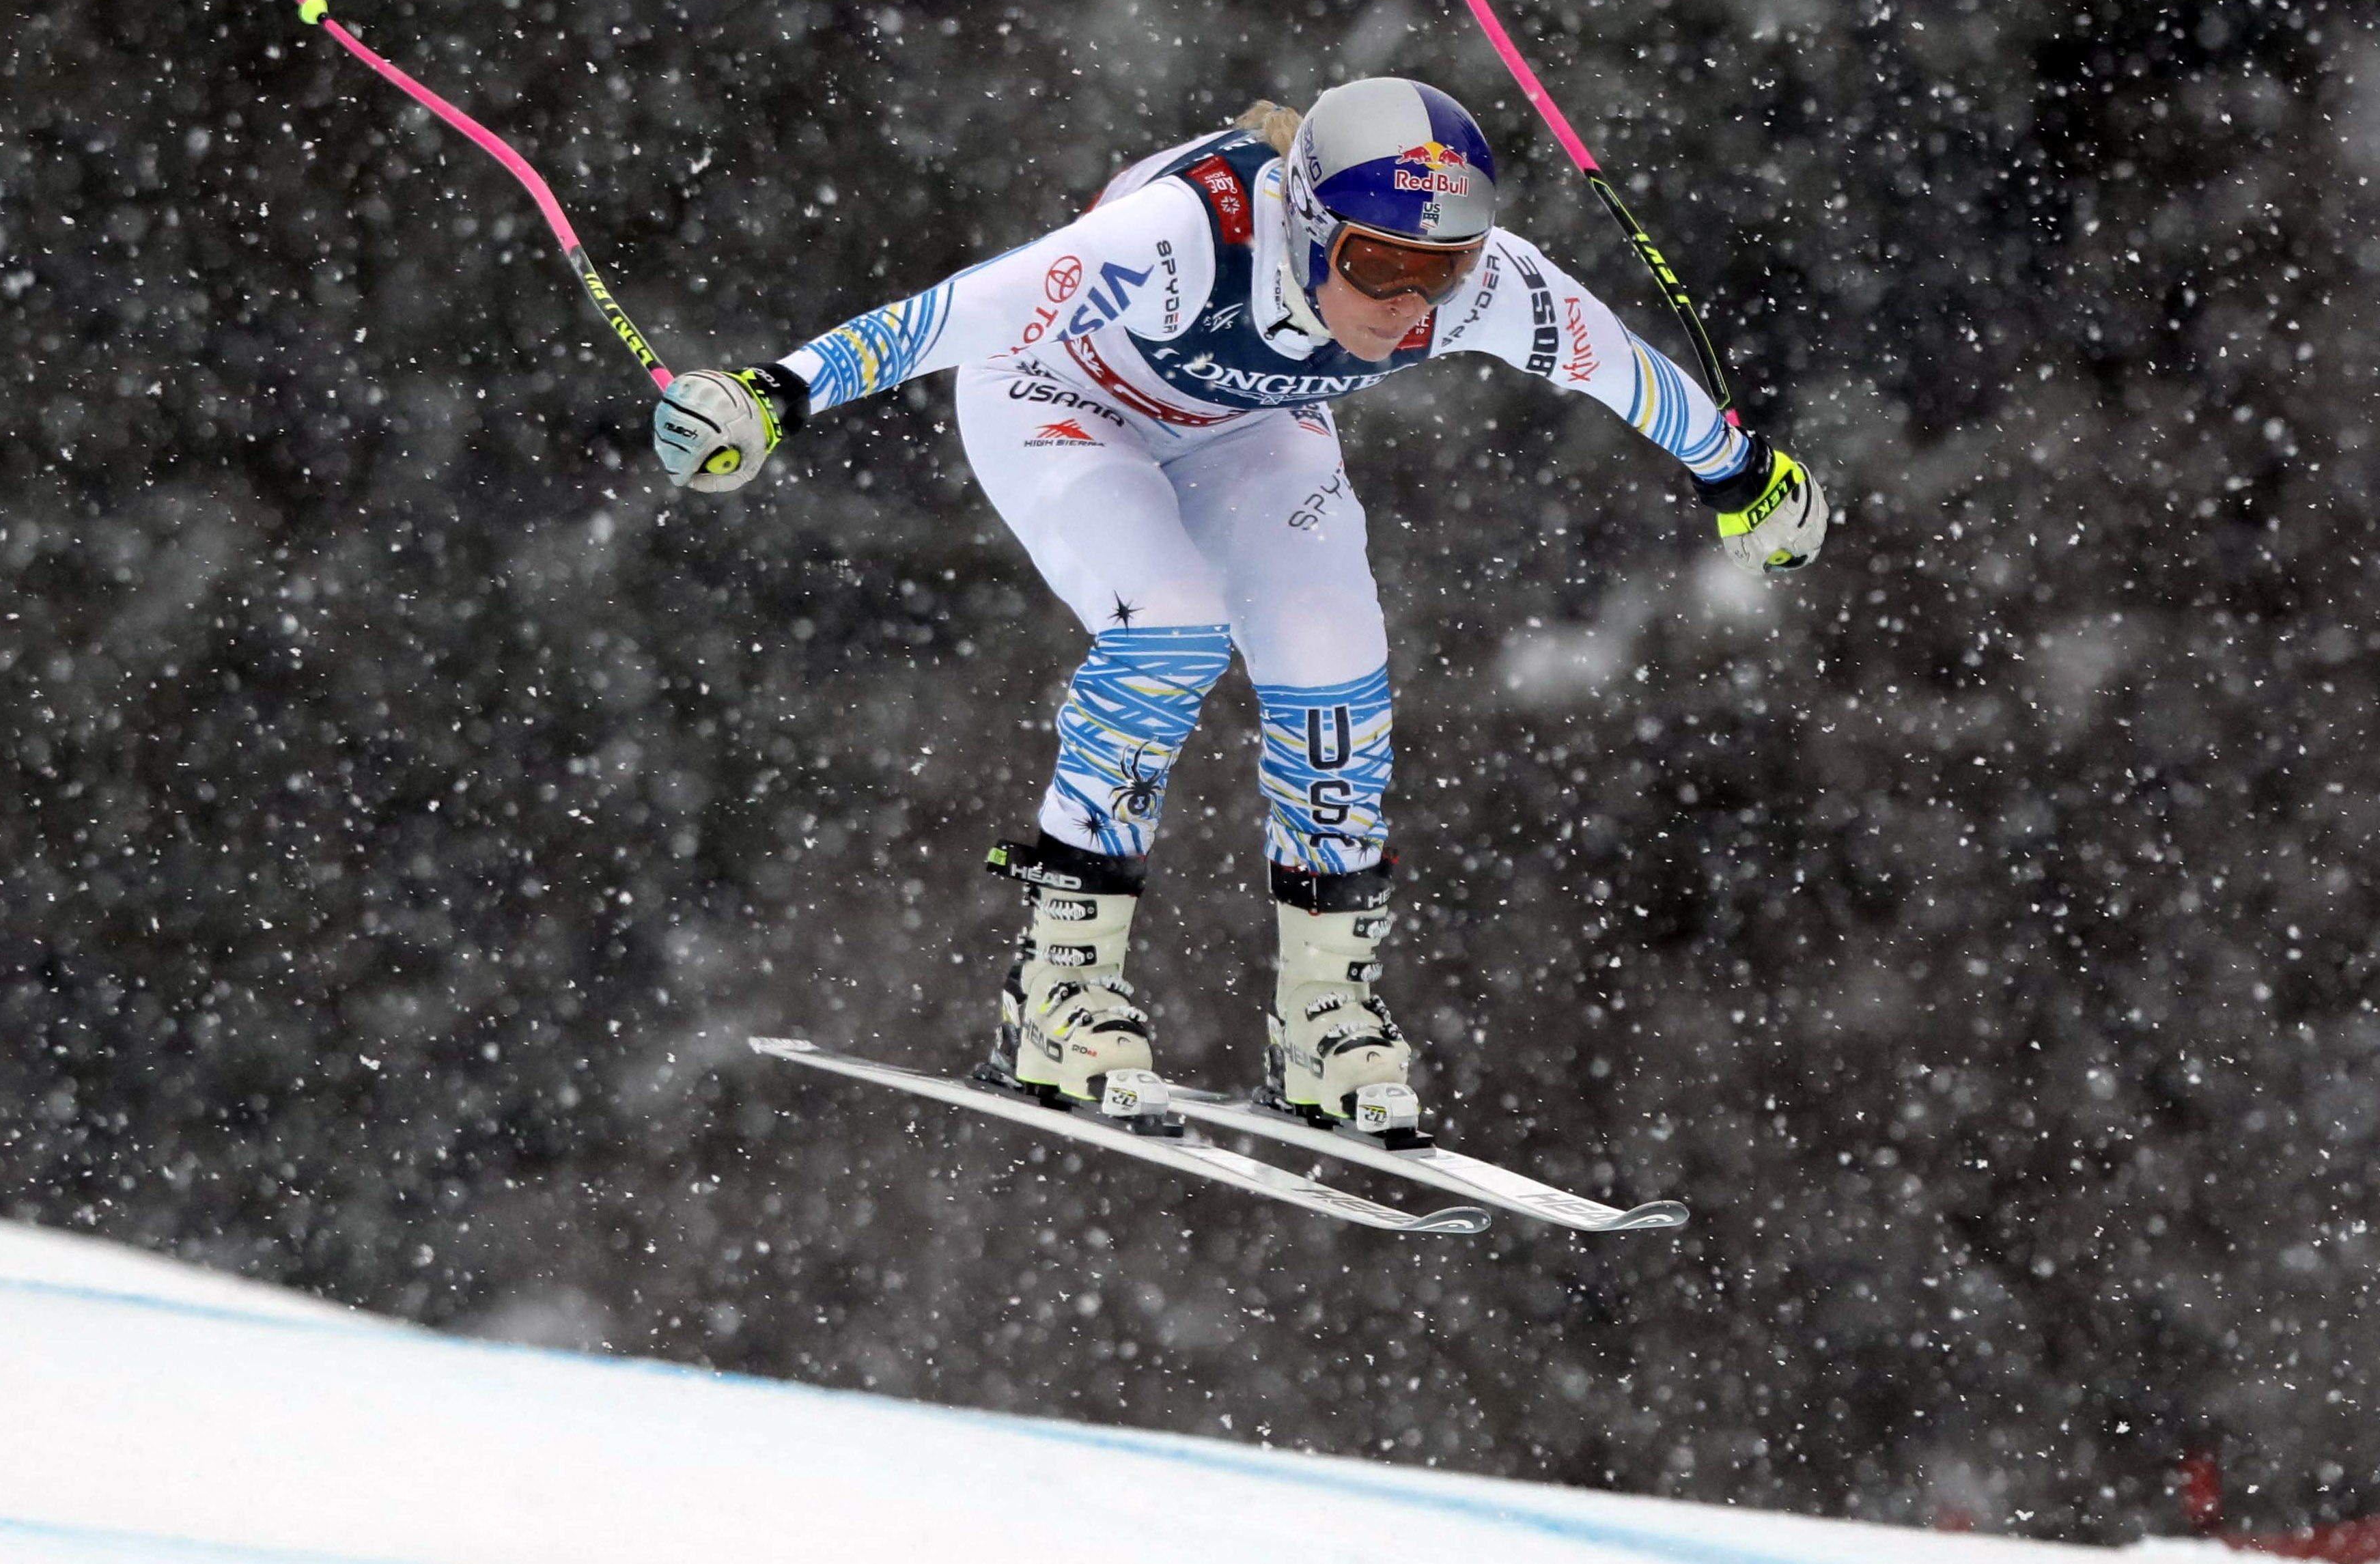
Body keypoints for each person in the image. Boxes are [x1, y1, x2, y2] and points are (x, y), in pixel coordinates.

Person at [650, 79, 1827, 1135]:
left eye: (1445, 270)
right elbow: (958, 315)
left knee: (1332, 656)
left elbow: (1619, 366)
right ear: (1308, 225)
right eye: (1379, 267)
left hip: (1245, 430)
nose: (1413, 306)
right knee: (1170, 626)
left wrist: (1745, 477)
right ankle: (1059, 988)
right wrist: (770, 395)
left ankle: (1324, 1015)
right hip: (1062, 408)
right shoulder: (1177, 239)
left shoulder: (1480, 287)